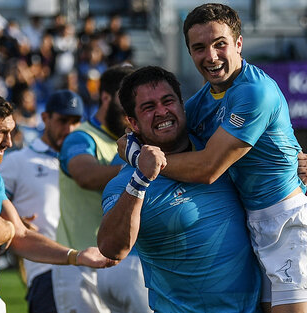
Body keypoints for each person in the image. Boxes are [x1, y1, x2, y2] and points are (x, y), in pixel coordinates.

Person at [121, 4, 307, 313]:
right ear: (190, 53)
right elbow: (132, 136)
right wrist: (133, 150)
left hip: (291, 224)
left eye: (219, 43)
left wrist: (142, 163)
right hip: (253, 228)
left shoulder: (254, 91)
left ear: (238, 43)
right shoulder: (202, 101)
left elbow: (208, 168)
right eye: (199, 48)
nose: (211, 56)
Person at [0, 88, 116, 313]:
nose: (9, 142)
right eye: (0, 133)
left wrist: (76, 256)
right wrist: (8, 227)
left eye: (11, 132)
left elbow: (21, 235)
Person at [98, 66, 262, 312]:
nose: (162, 112)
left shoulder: (217, 152)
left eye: (168, 101)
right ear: (133, 123)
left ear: (182, 104)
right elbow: (111, 247)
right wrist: (140, 179)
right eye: (149, 107)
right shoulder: (124, 183)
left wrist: (298, 172)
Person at [52, 65, 150, 313]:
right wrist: (140, 171)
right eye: (124, 98)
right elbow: (85, 175)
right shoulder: (82, 137)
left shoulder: (134, 140)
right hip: (80, 264)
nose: (130, 107)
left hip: (120, 259)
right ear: (105, 96)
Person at [0, 90, 84, 312]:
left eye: (75, 122)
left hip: (93, 267)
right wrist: (13, 222)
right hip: (47, 270)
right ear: (45, 118)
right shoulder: (17, 161)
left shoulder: (88, 163)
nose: (69, 129)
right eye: (63, 121)